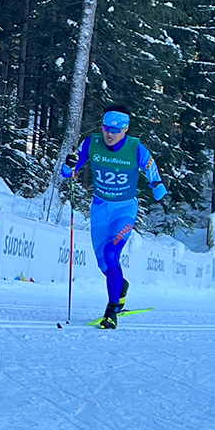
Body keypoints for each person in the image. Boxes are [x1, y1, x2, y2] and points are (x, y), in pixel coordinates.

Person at [62, 104, 167, 329]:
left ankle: (112, 311)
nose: (110, 133)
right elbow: (68, 171)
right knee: (104, 264)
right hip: (100, 209)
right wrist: (68, 164)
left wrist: (157, 185)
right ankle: (121, 287)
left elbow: (152, 169)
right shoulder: (92, 143)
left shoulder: (136, 148)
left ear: (126, 129)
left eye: (116, 129)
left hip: (124, 210)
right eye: (107, 128)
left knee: (111, 254)